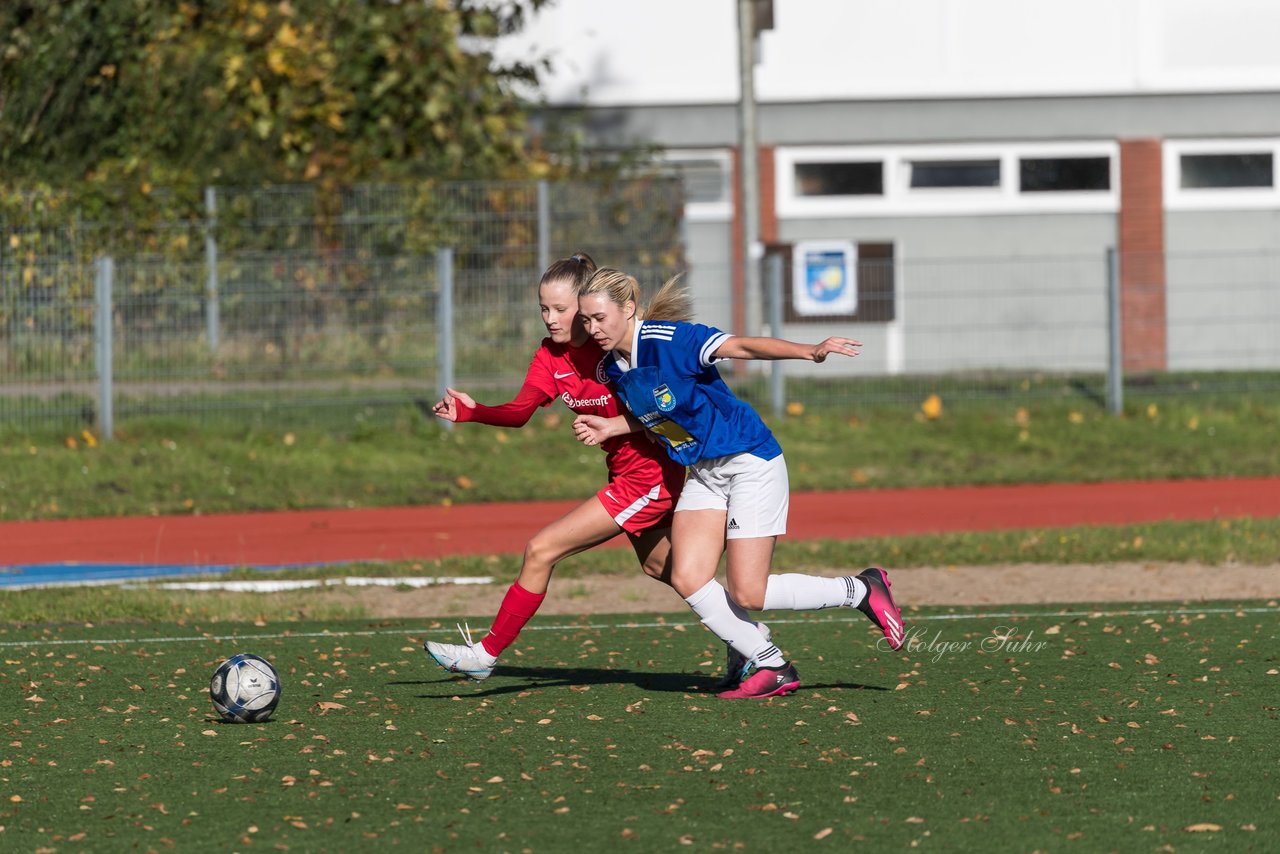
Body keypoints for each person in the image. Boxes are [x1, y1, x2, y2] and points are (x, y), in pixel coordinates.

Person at [573, 268, 905, 700]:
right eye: (586, 319)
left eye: (599, 317)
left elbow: (740, 345)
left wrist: (810, 351)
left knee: (750, 591)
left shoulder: (670, 339)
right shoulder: (613, 367)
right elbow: (661, 411)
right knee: (688, 576)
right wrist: (613, 427)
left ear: (628, 308)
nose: (593, 328)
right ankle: (769, 663)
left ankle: (861, 589)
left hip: (750, 461)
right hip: (704, 473)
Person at [422, 252, 690, 682]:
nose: (549, 318)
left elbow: (669, 407)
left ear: (585, 308)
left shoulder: (616, 348)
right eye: (543, 309)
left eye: (560, 309)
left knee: (541, 549)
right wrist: (474, 412)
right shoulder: (550, 356)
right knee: (667, 568)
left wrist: (620, 427)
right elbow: (520, 410)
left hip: (650, 478)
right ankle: (747, 642)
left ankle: (484, 655)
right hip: (625, 477)